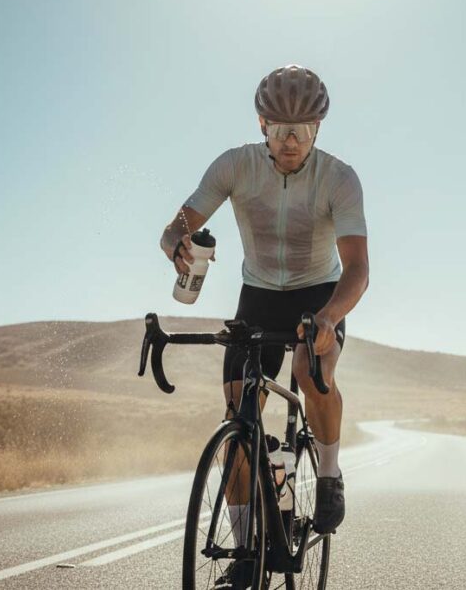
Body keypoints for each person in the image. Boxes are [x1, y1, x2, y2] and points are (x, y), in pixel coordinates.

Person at [158, 64, 369, 540]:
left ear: (318, 129)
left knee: (310, 371)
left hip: (319, 294)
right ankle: (243, 545)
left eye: (302, 131)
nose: (290, 142)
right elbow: (177, 227)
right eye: (278, 130)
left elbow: (358, 269)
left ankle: (329, 473)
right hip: (258, 296)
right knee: (238, 419)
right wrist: (175, 244)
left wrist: (329, 317)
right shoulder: (235, 166)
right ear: (261, 125)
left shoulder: (339, 178)